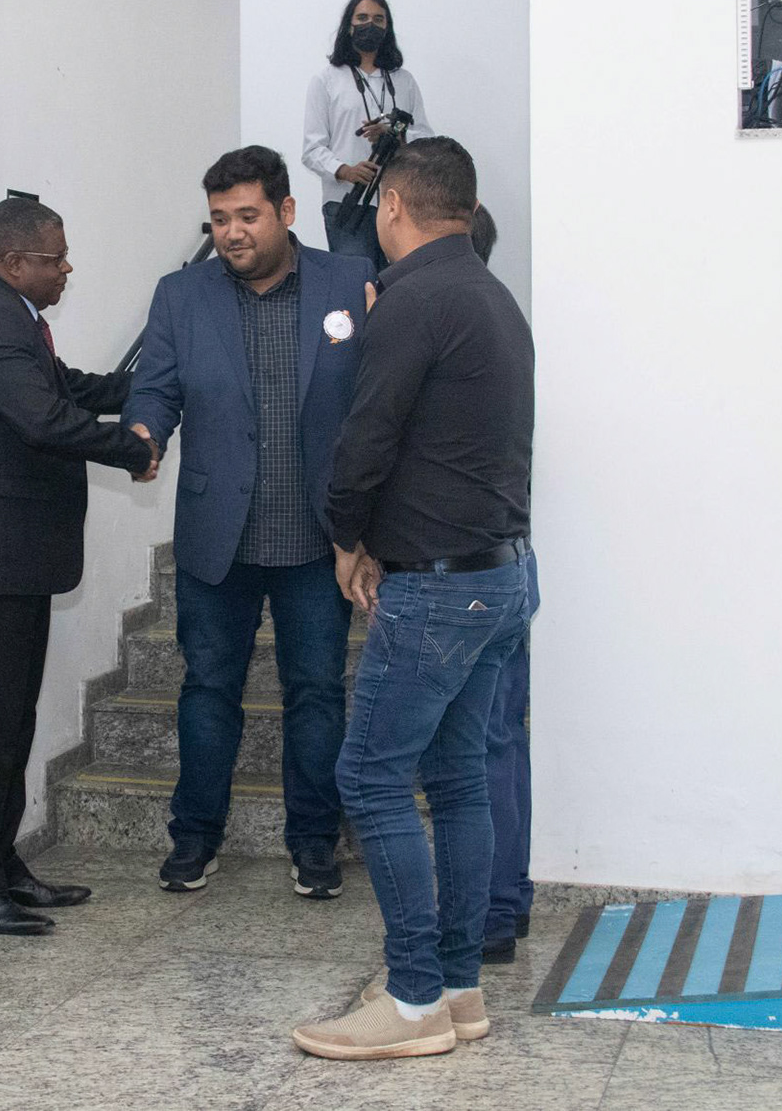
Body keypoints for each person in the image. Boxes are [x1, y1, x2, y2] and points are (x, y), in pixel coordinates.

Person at [291, 138, 536, 1060]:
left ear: (391, 203)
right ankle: (459, 988)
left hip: (436, 590)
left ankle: (412, 1000)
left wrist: (347, 538)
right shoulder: (491, 295)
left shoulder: (415, 299)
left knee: (369, 778)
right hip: (498, 576)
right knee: (459, 780)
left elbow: (368, 437)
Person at [122, 146, 375, 900]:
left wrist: (370, 524)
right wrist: (144, 434)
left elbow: (377, 396)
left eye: (247, 216)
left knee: (316, 693)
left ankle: (315, 843)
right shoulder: (180, 294)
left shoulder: (349, 281)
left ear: (286, 211)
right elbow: (154, 389)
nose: (232, 232)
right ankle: (195, 838)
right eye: (219, 219)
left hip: (317, 540)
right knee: (208, 689)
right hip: (217, 536)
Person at [0, 197, 161, 937]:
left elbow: (67, 390)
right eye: (56, 259)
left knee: (10, 722)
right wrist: (133, 448)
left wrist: (149, 387)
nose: (66, 269)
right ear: (14, 261)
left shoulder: (11, 316)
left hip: (13, 559)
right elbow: (43, 420)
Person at [463, 200, 537, 964]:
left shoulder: (452, 324)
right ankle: (504, 903)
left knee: (476, 748)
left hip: (472, 571)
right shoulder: (504, 313)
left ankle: (487, 913)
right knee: (500, 742)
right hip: (510, 559)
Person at [301, 0, 434, 271]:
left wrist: (397, 138)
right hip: (346, 202)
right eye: (362, 18)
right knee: (356, 282)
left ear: (387, 27)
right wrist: (344, 170)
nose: (369, 25)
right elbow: (312, 149)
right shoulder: (326, 80)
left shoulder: (404, 81)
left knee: (401, 282)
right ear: (349, 26)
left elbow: (425, 140)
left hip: (399, 203)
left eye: (378, 19)